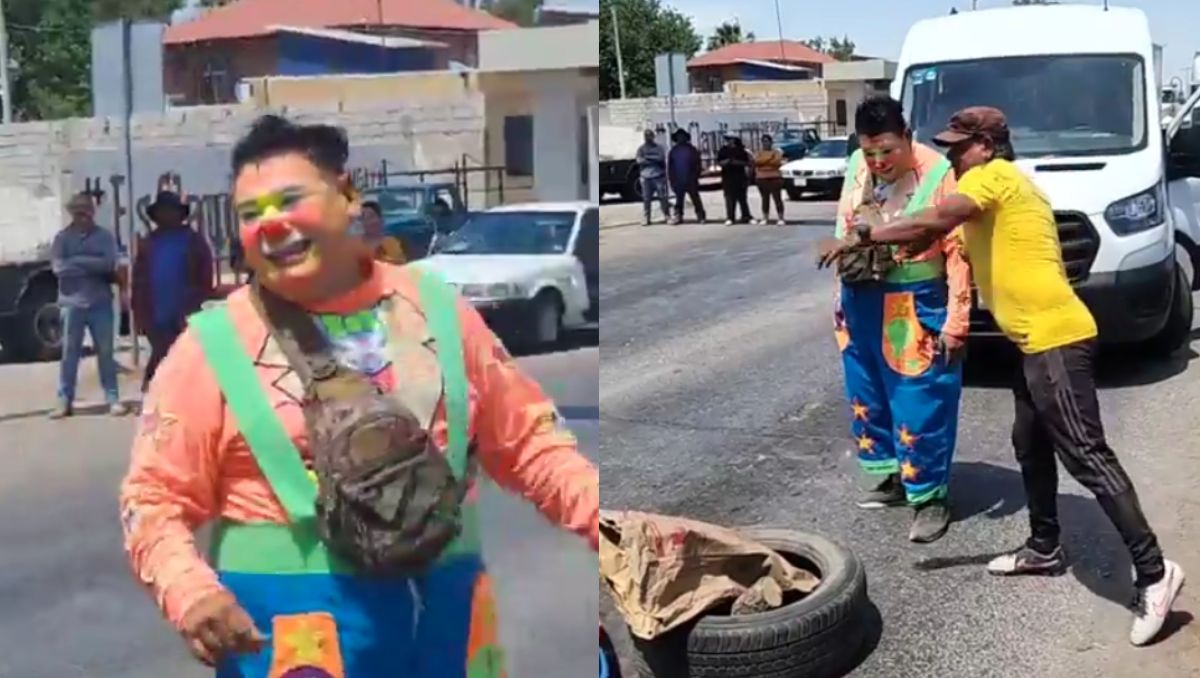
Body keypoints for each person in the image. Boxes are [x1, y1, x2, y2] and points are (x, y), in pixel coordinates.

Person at [119, 114, 599, 677]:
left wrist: (608, 526)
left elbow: (530, 442)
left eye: (288, 200)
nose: (270, 225)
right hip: (296, 644)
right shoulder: (211, 346)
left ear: (347, 196)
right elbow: (151, 499)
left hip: (450, 632)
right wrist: (190, 591)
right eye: (251, 214)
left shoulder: (436, 308)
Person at [863, 105, 1183, 645]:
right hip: (1033, 342)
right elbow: (931, 241)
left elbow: (935, 220)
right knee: (1029, 445)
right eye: (948, 147)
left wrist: (877, 231)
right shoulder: (988, 200)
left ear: (986, 146)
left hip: (1056, 339)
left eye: (959, 147)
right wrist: (870, 240)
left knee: (1086, 454)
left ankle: (1154, 573)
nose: (951, 156)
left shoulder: (996, 178)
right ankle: (1044, 547)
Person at [817, 95, 971, 543]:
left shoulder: (941, 174)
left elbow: (959, 253)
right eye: (870, 152)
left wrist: (957, 320)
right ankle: (891, 476)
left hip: (911, 301)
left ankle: (929, 496)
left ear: (908, 137)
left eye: (888, 150)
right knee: (868, 395)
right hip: (859, 300)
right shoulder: (855, 166)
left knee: (920, 399)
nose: (879, 162)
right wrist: (839, 307)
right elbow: (842, 230)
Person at [50, 193, 127, 418]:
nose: (82, 215)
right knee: (69, 353)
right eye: (77, 211)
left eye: (86, 211)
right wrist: (89, 263)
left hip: (99, 302)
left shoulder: (104, 237)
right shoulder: (62, 239)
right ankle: (65, 400)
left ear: (92, 212)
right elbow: (58, 269)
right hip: (71, 303)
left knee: (105, 352)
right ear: (71, 213)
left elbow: (108, 264)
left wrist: (76, 261)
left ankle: (112, 398)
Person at [132, 190, 215, 392]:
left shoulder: (194, 241)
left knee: (187, 356)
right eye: (162, 212)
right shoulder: (148, 243)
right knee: (162, 352)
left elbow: (205, 276)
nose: (166, 215)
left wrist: (201, 305)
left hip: (186, 310)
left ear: (180, 213)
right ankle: (153, 392)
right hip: (155, 312)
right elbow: (138, 281)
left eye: (171, 211)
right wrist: (139, 315)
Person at [667, 129, 706, 225]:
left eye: (682, 136)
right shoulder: (673, 151)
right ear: (676, 138)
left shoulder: (692, 150)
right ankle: (678, 216)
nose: (681, 138)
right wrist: (672, 180)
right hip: (678, 180)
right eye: (679, 136)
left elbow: (698, 164)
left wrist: (696, 176)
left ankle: (700, 216)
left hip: (691, 179)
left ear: (686, 137)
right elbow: (670, 167)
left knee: (695, 198)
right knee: (679, 199)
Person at [635, 129, 670, 226]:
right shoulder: (641, 149)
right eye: (646, 136)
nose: (648, 138)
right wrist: (652, 160)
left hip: (658, 176)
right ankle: (646, 218)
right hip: (645, 177)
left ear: (653, 136)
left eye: (649, 136)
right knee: (646, 199)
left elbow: (661, 159)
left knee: (663, 197)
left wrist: (647, 159)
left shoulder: (659, 148)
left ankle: (667, 216)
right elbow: (639, 161)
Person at [717, 135, 753, 225]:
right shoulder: (723, 150)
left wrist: (736, 162)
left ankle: (746, 216)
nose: (729, 141)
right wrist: (727, 162)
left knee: (742, 198)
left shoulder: (742, 150)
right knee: (729, 199)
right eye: (727, 139)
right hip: (727, 178)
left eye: (730, 139)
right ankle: (730, 217)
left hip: (740, 177)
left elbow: (748, 163)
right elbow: (719, 162)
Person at [361, 199, 407, 265]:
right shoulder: (356, 246)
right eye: (363, 218)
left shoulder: (391, 243)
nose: (367, 222)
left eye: (371, 217)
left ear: (381, 220)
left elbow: (400, 266)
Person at [753, 134, 786, 225]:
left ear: (771, 142)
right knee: (765, 199)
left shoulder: (776, 152)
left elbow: (776, 162)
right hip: (761, 178)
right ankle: (765, 217)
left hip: (775, 177)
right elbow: (757, 162)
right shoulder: (759, 153)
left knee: (777, 198)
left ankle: (781, 217)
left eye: (767, 141)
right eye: (763, 141)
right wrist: (769, 159)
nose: (765, 143)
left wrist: (764, 162)